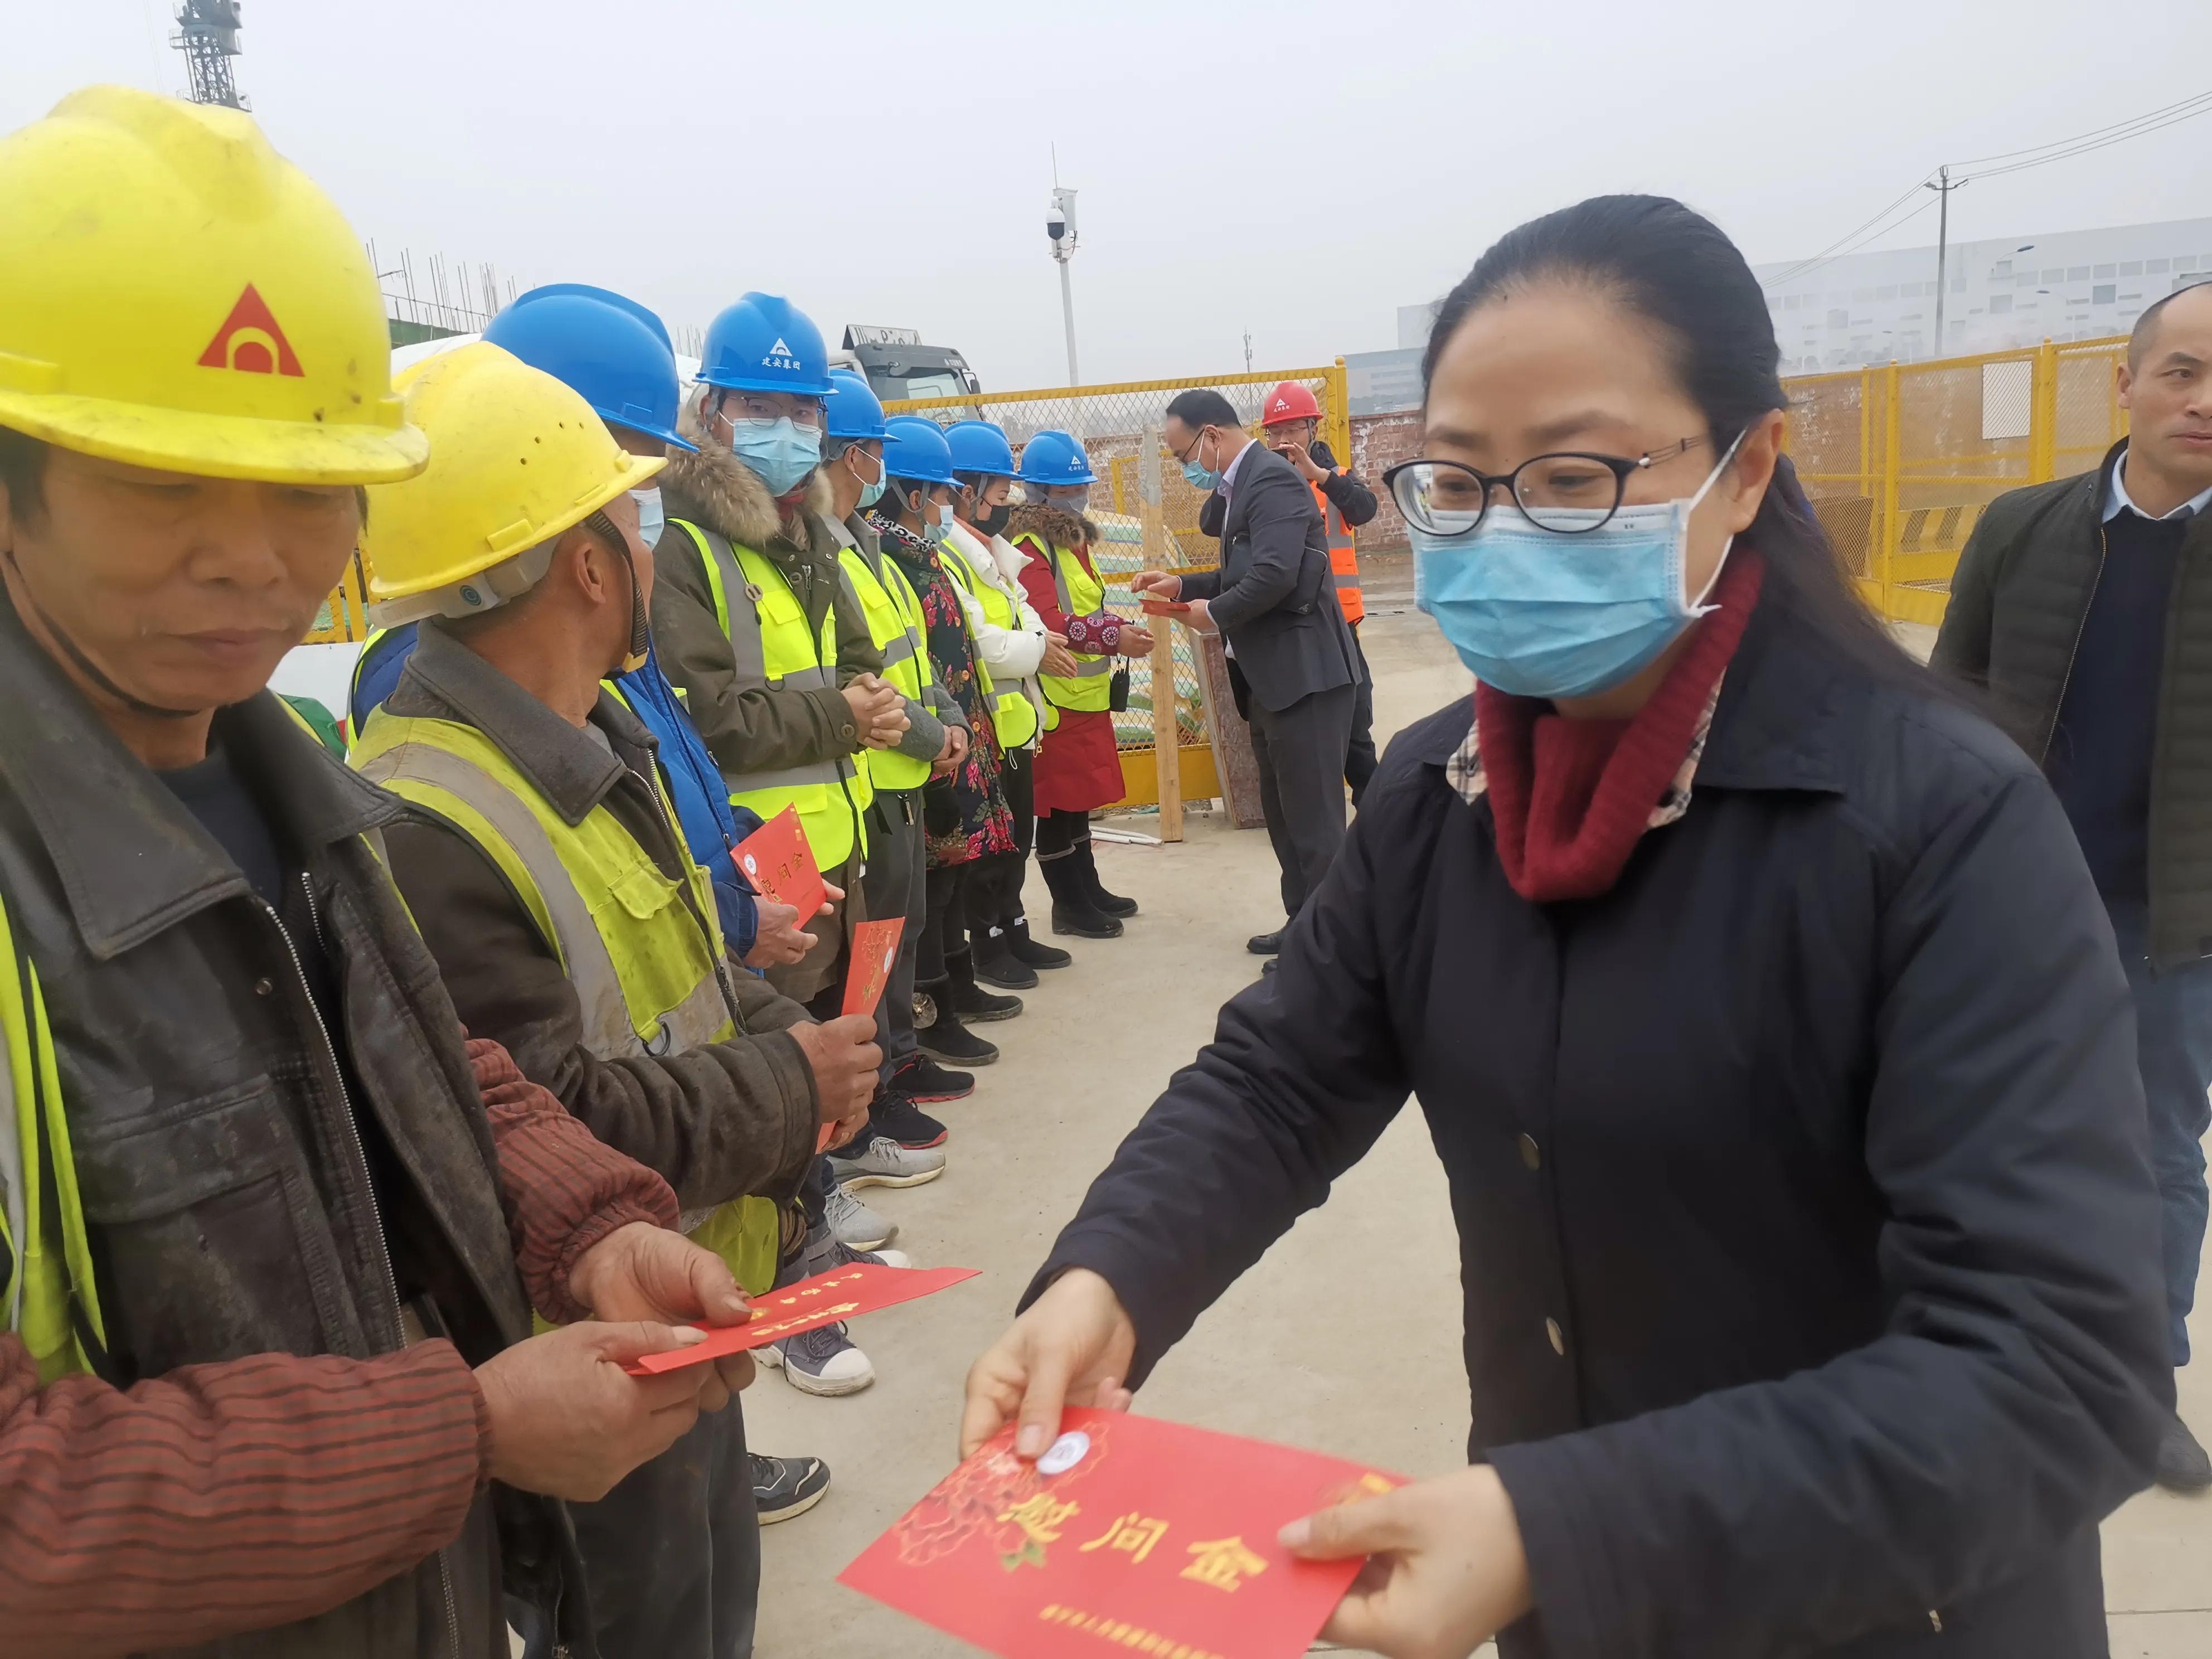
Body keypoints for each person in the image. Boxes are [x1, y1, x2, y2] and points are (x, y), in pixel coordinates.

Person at [965, 196, 2170, 1659]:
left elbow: (2061, 1368)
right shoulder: (1438, 795)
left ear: (1749, 467)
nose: (1512, 526)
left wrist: (1568, 1525)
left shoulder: (1936, 824)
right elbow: (1282, 1077)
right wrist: (1110, 1275)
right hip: (1578, 1605)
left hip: (1880, 1607)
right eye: (1461, 485)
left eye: (1580, 473)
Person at [0, 86, 753, 1656]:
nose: (253, 557)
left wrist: (593, 1226)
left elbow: (405, 1063)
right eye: (161, 485)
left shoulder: (277, 776)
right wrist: (461, 1433)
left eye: (303, 489)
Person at [349, 343, 890, 1652]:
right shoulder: (428, 812)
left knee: (714, 1612)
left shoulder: (590, 734)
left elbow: (683, 973)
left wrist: (787, 1035)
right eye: (635, 518)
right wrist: (787, 1083)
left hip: (681, 1285)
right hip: (578, 1340)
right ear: (591, 564)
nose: (654, 547)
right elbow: (530, 1111)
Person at [1933, 278, 2212, 1493]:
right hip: (2015, 900)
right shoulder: (2022, 528)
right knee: (1981, 1128)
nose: (2202, 402)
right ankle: (1984, 1359)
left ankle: (2136, 1385)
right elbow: (1947, 697)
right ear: (2128, 381)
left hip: (2173, 922)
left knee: (2152, 1149)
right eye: (2183, 370)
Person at [345, 285, 821, 978]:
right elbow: (566, 897)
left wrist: (735, 862)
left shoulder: (592, 619)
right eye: (622, 475)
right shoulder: (422, 667)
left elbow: (662, 780)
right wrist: (730, 919)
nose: (641, 508)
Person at [653, 293, 903, 1010]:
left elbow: (856, 658)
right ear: (711, 412)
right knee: (792, 1036)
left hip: (837, 835)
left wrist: (873, 704)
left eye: (801, 412)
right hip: (753, 853)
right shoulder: (680, 542)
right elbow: (702, 717)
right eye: (759, 409)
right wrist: (845, 716)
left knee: (849, 1013)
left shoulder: (811, 530)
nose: (784, 430)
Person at [1139, 389, 1361, 957]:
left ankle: (1330, 955)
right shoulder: (1243, 486)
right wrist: (1184, 586)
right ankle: (1303, 929)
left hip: (1305, 680)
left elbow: (1274, 575)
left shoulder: (1271, 481)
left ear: (1211, 435)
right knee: (1286, 821)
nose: (1183, 465)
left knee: (1315, 829)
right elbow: (1238, 570)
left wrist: (1208, 615)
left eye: (1181, 452)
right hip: (1269, 682)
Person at [815, 367, 976, 1134]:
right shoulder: (830, 557)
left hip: (905, 771)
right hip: (870, 777)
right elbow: (860, 675)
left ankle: (900, 1053)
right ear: (853, 456)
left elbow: (914, 655)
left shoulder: (871, 549)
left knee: (902, 929)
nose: (879, 465)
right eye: (873, 448)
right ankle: (873, 1084)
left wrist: (950, 726)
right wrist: (929, 733)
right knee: (870, 942)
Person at [865, 417, 1022, 1068]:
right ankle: (931, 1011)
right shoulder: (887, 555)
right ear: (908, 494)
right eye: (940, 494)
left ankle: (953, 989)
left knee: (952, 880)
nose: (948, 507)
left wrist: (957, 726)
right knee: (930, 888)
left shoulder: (915, 557)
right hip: (917, 749)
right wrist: (940, 733)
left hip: (952, 733)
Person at [940, 418, 1077, 989]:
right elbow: (977, 643)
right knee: (988, 848)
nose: (1006, 506)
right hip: (983, 725)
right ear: (967, 495)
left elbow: (1022, 616)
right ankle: (986, 943)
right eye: (999, 495)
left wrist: (1045, 640)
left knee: (1015, 836)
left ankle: (1013, 926)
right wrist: (1039, 650)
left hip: (1015, 722)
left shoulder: (994, 554)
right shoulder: (951, 556)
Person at [1007, 430, 1154, 938]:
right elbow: (1050, 622)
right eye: (1069, 489)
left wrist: (1115, 625)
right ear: (1041, 493)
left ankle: (1087, 888)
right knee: (1057, 806)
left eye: (1080, 487)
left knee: (1080, 802)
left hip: (1083, 694)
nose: (1080, 496)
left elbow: (1083, 609)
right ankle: (1069, 905)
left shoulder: (1071, 541)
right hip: (1055, 698)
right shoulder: (1030, 547)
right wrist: (1115, 637)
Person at [1253, 380, 1382, 800]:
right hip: (1292, 626)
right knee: (1306, 724)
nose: (1285, 439)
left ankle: (1374, 810)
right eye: (1276, 431)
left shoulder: (1337, 479)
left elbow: (1364, 509)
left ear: (1312, 428)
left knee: (1355, 720)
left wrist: (1319, 476)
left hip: (1341, 623)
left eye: (1293, 428)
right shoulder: (1262, 486)